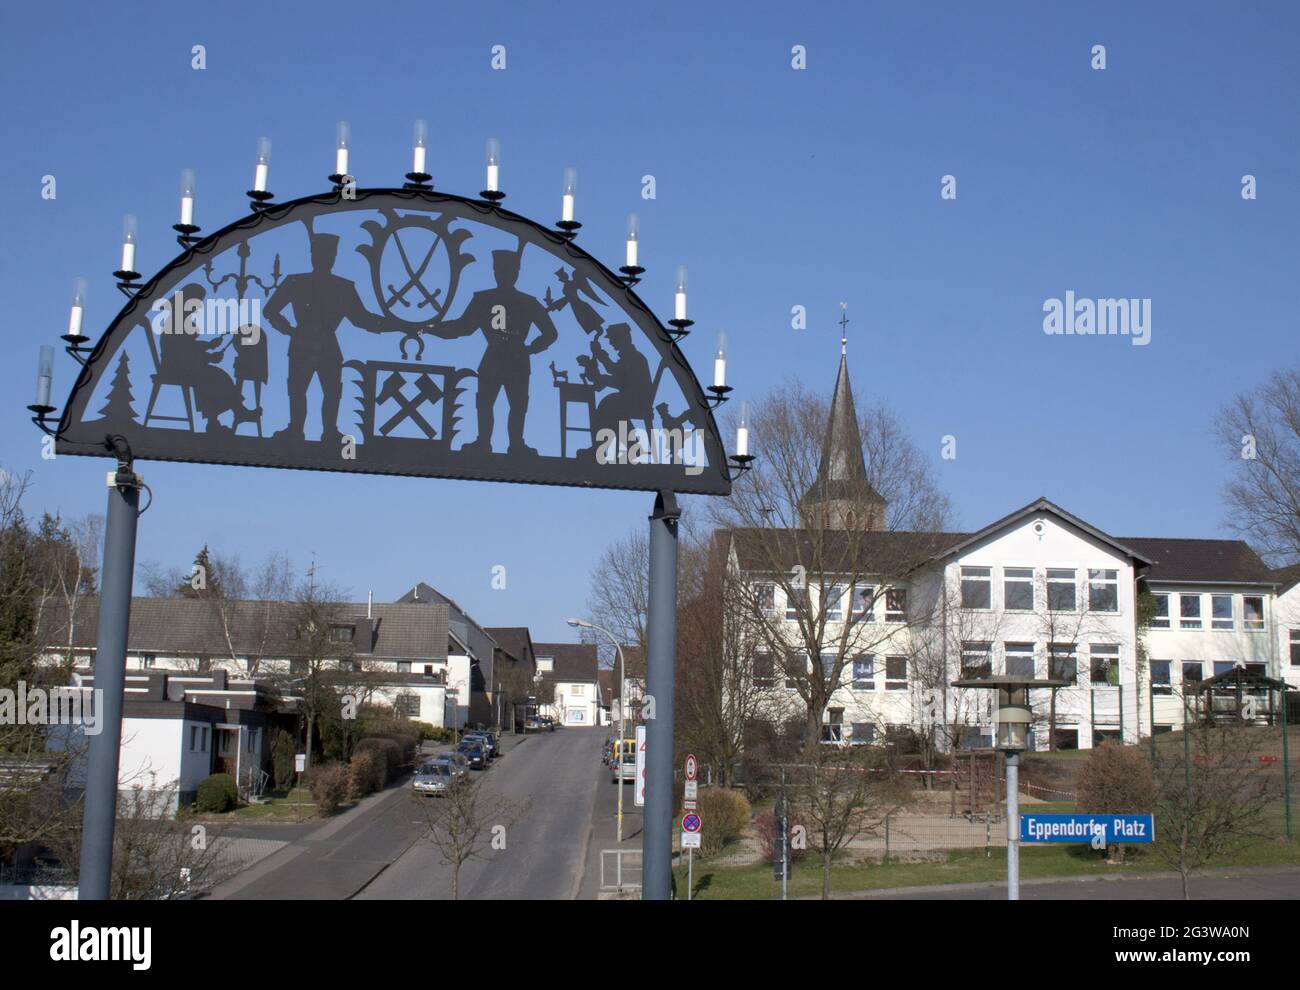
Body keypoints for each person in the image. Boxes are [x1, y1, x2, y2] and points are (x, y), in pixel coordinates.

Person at [425, 249, 557, 456]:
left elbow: (550, 333)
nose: (504, 274)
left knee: (513, 404)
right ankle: (489, 442)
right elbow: (462, 327)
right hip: (504, 358)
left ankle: (512, 444)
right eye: (502, 270)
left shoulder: (493, 300)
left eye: (508, 270)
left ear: (514, 272)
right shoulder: (503, 300)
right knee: (488, 403)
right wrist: (433, 328)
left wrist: (530, 348)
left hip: (507, 358)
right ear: (496, 272)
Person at [263, 233, 390, 445]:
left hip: (327, 343)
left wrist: (390, 324)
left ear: (334, 257)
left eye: (329, 254)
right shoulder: (296, 282)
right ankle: (296, 429)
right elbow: (270, 310)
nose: (324, 258)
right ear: (313, 255)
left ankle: (329, 431)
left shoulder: (343, 287)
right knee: (297, 389)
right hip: (302, 342)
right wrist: (290, 330)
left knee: (332, 391)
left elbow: (362, 319)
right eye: (320, 253)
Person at [159, 283, 259, 434]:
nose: (198, 306)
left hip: (183, 363)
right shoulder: (176, 321)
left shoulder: (179, 320)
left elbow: (189, 348)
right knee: (212, 377)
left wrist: (209, 349)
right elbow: (184, 351)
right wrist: (209, 355)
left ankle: (227, 415)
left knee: (217, 376)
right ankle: (223, 417)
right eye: (196, 302)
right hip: (176, 366)